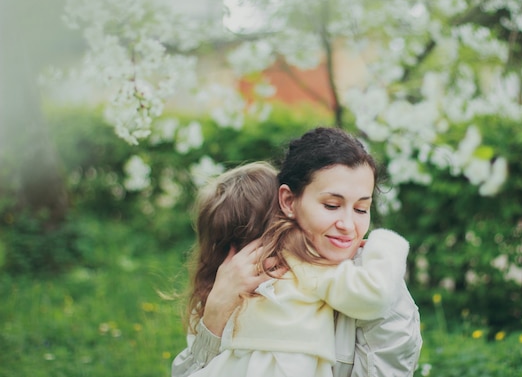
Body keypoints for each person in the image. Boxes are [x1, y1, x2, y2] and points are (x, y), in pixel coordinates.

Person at [172, 127, 422, 377]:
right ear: (288, 202)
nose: (347, 225)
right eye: (332, 205)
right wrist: (215, 313)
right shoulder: (239, 276)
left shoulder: (375, 278)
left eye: (361, 209)